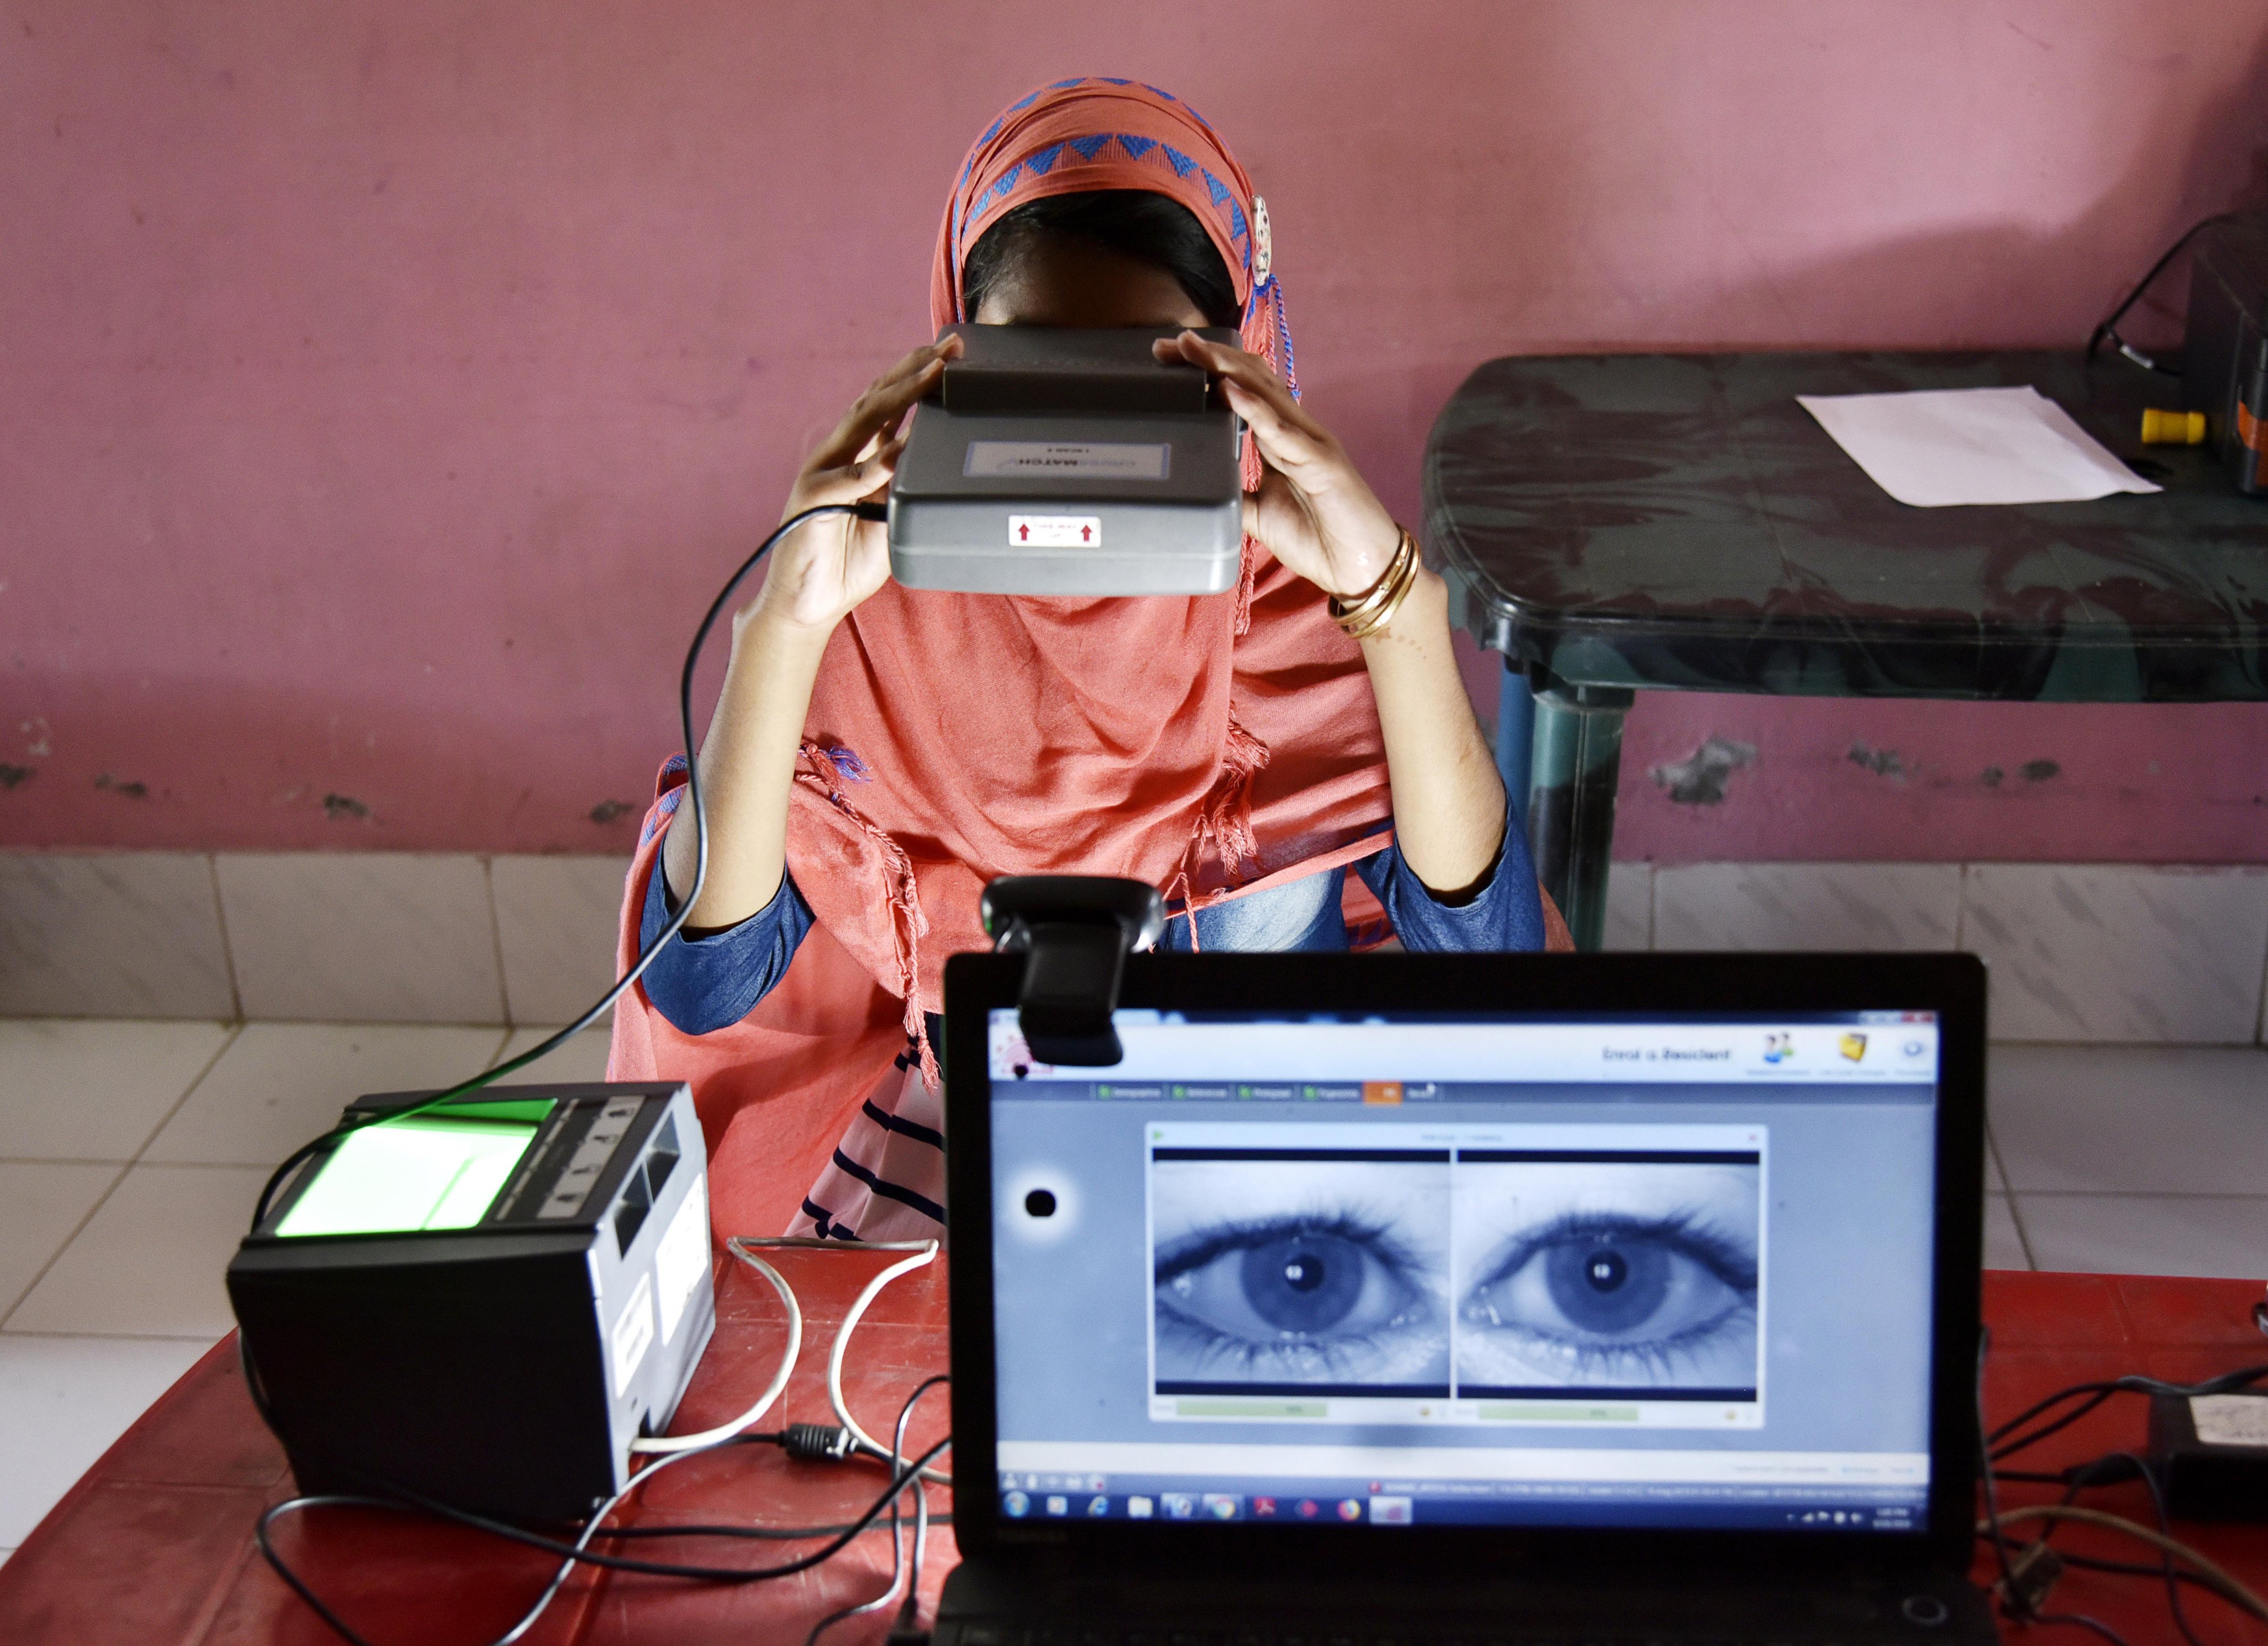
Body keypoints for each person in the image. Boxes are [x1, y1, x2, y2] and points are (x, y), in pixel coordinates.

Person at [608, 79, 1569, 1243]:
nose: (1080, 450)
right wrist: (786, 627)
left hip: (1274, 1161)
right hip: (975, 1154)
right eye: (1029, 377)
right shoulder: (872, 592)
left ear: (1239, 371)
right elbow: (705, 987)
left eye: (1141, 383)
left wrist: (1400, 609)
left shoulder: (1314, 597)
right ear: (948, 362)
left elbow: (1494, 968)